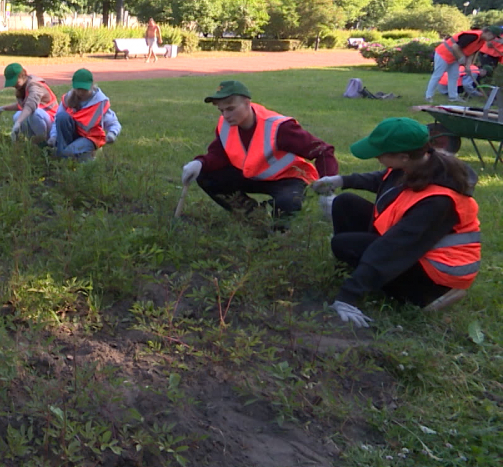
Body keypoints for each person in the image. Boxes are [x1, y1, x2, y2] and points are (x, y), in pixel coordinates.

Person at [311, 118, 479, 327]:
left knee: (344, 244)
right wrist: (343, 180)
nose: (377, 158)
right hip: (415, 247)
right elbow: (385, 180)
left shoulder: (439, 202)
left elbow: (394, 247)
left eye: (380, 154)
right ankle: (361, 272)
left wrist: (347, 296)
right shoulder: (418, 163)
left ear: (403, 157)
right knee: (345, 203)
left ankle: (430, 297)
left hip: (434, 276)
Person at [181, 80, 336, 223]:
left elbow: (323, 151)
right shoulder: (226, 124)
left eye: (231, 109)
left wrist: (327, 189)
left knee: (286, 204)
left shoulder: (279, 127)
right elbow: (219, 154)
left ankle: (280, 230)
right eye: (221, 110)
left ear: (248, 103)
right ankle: (253, 215)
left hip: (287, 179)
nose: (226, 116)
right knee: (205, 175)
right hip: (251, 175)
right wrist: (200, 163)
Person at [48, 68, 121, 161]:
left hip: (90, 138)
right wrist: (53, 136)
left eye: (84, 89)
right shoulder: (68, 98)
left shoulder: (100, 102)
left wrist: (112, 134)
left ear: (91, 85)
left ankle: (63, 155)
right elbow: (57, 119)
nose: (81, 93)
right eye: (78, 89)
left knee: (65, 153)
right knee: (62, 116)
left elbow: (113, 123)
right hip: (72, 135)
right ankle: (66, 155)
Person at [0, 63, 59, 143]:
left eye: (15, 81)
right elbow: (22, 106)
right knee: (17, 115)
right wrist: (2, 108)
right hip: (42, 120)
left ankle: (45, 142)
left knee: (33, 114)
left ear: (22, 76)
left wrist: (18, 122)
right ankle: (34, 142)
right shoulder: (23, 87)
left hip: (53, 123)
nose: (13, 85)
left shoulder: (35, 85)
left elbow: (30, 106)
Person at [425, 27, 502, 102]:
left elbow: (471, 54)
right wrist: (461, 58)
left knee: (454, 76)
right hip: (443, 53)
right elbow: (455, 46)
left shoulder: (481, 42)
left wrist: (468, 66)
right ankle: (428, 96)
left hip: (454, 57)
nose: (493, 39)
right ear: (488, 33)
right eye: (493, 36)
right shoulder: (473, 36)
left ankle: (453, 97)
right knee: (438, 75)